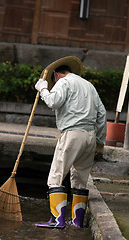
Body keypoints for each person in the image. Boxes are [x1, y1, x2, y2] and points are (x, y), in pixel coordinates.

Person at [35, 56, 106, 229]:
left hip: (72, 133)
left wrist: (44, 89)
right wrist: (99, 140)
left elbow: (54, 101)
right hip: (90, 136)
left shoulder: (63, 82)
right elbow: (102, 114)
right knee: (80, 180)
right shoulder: (89, 86)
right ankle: (77, 222)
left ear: (57, 75)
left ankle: (57, 221)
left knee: (56, 177)